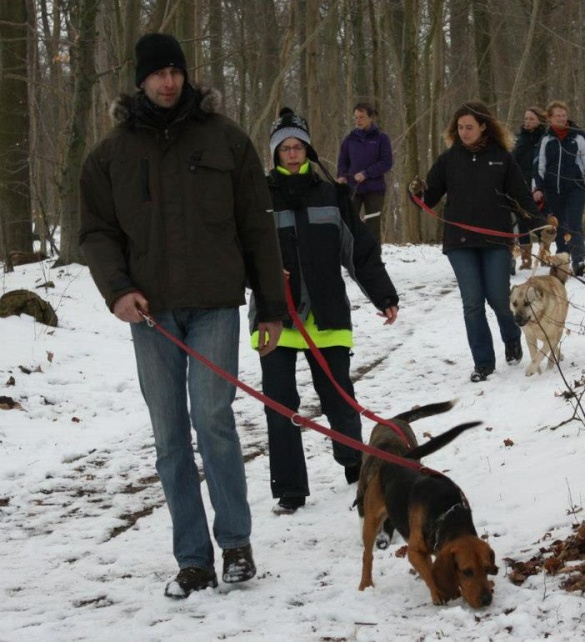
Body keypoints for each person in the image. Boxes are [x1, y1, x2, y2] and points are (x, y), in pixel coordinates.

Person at [79, 33, 287, 598]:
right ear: (141, 80)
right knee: (170, 435)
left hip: (216, 303)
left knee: (213, 421)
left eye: (176, 71)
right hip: (150, 314)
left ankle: (236, 545)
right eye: (157, 73)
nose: (168, 81)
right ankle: (192, 559)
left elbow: (257, 228)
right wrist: (117, 290)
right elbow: (96, 231)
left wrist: (270, 307)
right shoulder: (112, 153)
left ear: (186, 75)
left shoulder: (226, 140)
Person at [254, 108, 399, 515]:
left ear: (308, 149)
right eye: (285, 147)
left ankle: (353, 462)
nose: (293, 152)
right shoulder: (258, 198)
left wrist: (383, 294)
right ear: (275, 154)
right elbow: (240, 253)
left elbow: (361, 251)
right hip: (275, 318)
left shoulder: (332, 195)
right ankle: (290, 489)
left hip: (328, 315)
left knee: (339, 398)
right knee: (280, 403)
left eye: (298, 145)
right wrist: (261, 276)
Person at [410, 101, 549, 383]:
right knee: (472, 302)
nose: (464, 132)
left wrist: (540, 225)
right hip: (459, 243)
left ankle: (512, 339)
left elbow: (522, 197)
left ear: (484, 126)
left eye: (469, 127)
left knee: (499, 299)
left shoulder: (502, 158)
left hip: (494, 240)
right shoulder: (449, 159)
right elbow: (430, 198)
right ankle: (483, 363)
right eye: (460, 128)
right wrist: (417, 192)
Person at [532, 100, 585, 277]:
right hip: (552, 189)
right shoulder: (546, 140)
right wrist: (537, 188)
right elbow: (539, 166)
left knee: (574, 223)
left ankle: (578, 260)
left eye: (564, 115)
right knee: (559, 225)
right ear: (550, 118)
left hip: (575, 187)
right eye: (558, 116)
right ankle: (562, 259)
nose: (562, 119)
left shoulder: (579, 137)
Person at [336, 102, 393, 245]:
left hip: (375, 189)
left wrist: (366, 173)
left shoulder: (381, 138)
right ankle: (352, 259)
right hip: (353, 188)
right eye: (355, 117)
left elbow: (386, 162)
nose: (358, 121)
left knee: (373, 226)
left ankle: (374, 261)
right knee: (349, 224)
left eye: (361, 117)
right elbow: (342, 161)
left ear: (370, 118)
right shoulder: (349, 139)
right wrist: (342, 176)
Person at [512, 107, 547, 270]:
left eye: (531, 119)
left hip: (540, 185)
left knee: (542, 221)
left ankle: (545, 255)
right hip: (520, 185)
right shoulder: (519, 139)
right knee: (521, 221)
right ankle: (526, 259)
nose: (527, 122)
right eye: (526, 118)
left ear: (539, 120)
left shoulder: (545, 139)